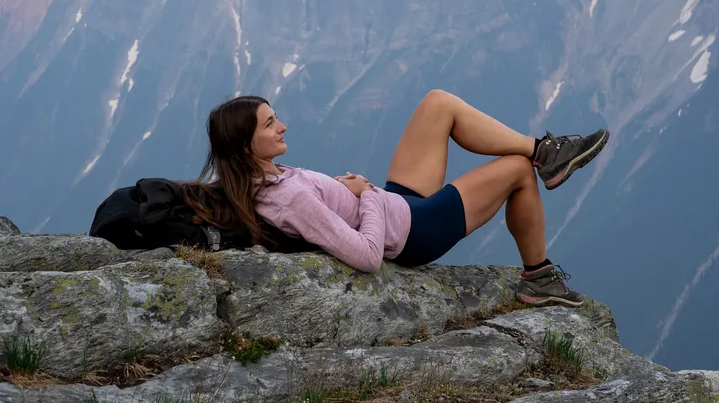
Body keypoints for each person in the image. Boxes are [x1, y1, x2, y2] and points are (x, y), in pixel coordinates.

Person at [195, 91, 609, 307]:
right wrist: (369, 195)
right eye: (270, 124)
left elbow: (324, 206)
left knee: (438, 103)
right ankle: (539, 277)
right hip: (413, 230)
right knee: (518, 170)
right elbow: (367, 256)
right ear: (247, 146)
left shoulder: (262, 178)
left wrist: (345, 189)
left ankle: (546, 152)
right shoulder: (285, 199)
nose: (283, 126)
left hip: (400, 206)